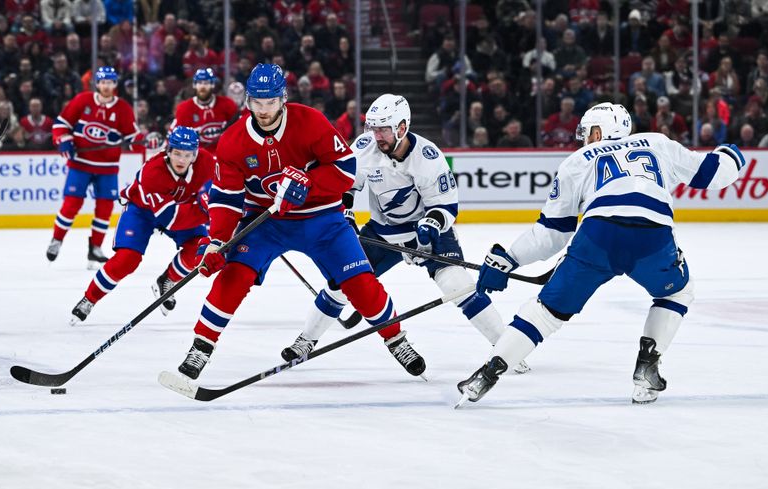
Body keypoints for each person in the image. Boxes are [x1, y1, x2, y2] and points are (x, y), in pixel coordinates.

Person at [456, 102, 745, 407]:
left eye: (588, 132)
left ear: (599, 131)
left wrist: (509, 258)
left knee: (546, 312)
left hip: (597, 237)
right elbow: (713, 175)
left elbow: (551, 235)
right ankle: (647, 364)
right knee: (678, 294)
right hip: (653, 235)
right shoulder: (657, 142)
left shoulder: (577, 160)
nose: (584, 139)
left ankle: (487, 372)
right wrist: (729, 154)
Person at [175, 64, 426, 380]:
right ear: (248, 101)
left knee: (360, 282)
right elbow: (226, 199)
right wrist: (217, 241)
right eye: (257, 102)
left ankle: (396, 339)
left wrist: (308, 183)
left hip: (321, 219)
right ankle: (201, 346)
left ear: (282, 98)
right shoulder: (233, 141)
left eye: (269, 102)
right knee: (232, 277)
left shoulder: (310, 122)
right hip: (265, 223)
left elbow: (346, 169)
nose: (263, 110)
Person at [280, 94, 530, 373]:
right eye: (373, 128)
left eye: (383, 129)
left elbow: (446, 206)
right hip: (383, 233)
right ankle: (306, 340)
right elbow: (344, 186)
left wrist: (430, 225)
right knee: (343, 281)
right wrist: (346, 214)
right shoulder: (364, 148)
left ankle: (508, 349)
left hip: (428, 231)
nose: (377, 135)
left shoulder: (428, 156)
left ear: (401, 127)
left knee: (458, 285)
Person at [70, 127, 213, 323]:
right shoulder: (153, 172)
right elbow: (171, 219)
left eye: (187, 155)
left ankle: (167, 281)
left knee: (199, 249)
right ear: (168, 151)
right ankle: (89, 298)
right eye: (177, 153)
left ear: (195, 155)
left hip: (182, 207)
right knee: (127, 259)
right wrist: (206, 210)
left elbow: (226, 184)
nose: (181, 160)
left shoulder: (208, 163)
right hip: (142, 210)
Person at [46, 66, 151, 268]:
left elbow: (132, 137)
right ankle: (57, 240)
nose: (106, 86)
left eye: (110, 82)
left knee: (105, 209)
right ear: (97, 83)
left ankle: (95, 248)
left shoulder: (122, 108)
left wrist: (145, 140)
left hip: (107, 166)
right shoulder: (82, 101)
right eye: (103, 82)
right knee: (71, 204)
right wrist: (64, 139)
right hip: (81, 163)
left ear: (115, 84)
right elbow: (61, 124)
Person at [170, 68, 238, 154]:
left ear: (212, 84)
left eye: (206, 83)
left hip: (224, 154)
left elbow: (238, 132)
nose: (202, 86)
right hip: (197, 157)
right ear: (194, 85)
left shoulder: (228, 104)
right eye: (199, 83)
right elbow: (179, 138)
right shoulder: (184, 108)